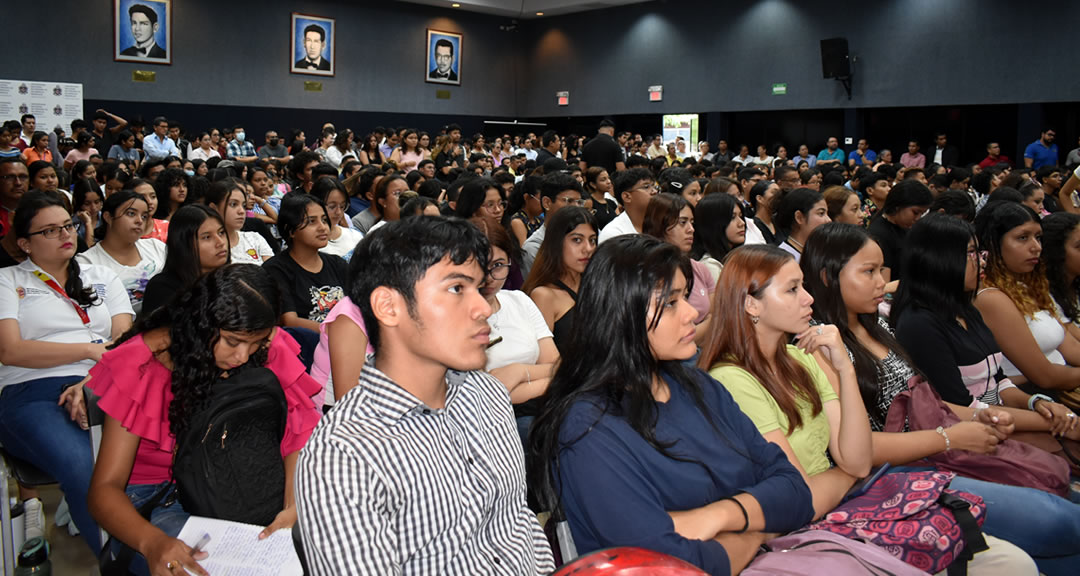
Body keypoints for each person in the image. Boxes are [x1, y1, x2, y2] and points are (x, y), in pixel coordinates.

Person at [802, 222, 1080, 575]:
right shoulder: (822, 347)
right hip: (896, 476)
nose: (881, 282)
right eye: (869, 272)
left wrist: (980, 418)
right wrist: (950, 437)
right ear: (828, 277)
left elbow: (925, 403)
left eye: (882, 270)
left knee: (1062, 505)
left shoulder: (879, 325)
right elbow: (860, 450)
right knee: (1059, 522)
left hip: (936, 449)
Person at [527, 235, 813, 575]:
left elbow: (795, 490)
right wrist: (759, 529)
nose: (693, 313)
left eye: (685, 297)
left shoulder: (700, 387)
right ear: (622, 313)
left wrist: (719, 516)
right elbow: (668, 564)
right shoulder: (588, 427)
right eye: (672, 302)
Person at [296, 216, 554, 574]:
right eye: (456, 289)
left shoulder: (486, 394)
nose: (481, 307)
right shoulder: (345, 454)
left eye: (479, 288)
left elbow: (517, 525)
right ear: (388, 307)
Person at [87, 264, 321, 576]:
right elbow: (105, 489)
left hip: (248, 475)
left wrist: (291, 506)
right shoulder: (144, 363)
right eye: (232, 341)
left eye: (254, 343)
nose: (242, 356)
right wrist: (152, 542)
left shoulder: (263, 342)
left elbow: (296, 434)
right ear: (202, 324)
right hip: (161, 498)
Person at [0, 191, 134, 553]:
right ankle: (124, 562)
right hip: (33, 392)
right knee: (86, 470)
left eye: (68, 225)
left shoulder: (102, 274)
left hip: (105, 383)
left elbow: (124, 339)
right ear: (25, 243)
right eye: (50, 231)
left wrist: (92, 379)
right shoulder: (8, 280)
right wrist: (89, 351)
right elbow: (10, 350)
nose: (66, 234)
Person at [701, 244, 873, 520]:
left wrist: (845, 369)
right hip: (799, 524)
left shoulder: (798, 357)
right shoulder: (731, 380)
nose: (808, 299)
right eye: (792, 289)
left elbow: (860, 461)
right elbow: (802, 497)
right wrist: (845, 476)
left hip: (836, 502)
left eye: (802, 286)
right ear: (751, 304)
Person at [892, 213, 1080, 436]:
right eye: (971, 252)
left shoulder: (966, 308)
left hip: (1001, 417)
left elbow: (998, 380)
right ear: (940, 259)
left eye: (978, 252)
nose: (981, 260)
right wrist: (1051, 422)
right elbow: (957, 407)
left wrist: (1036, 403)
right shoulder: (919, 325)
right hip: (974, 432)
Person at [974, 201, 1080, 404]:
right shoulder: (990, 298)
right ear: (994, 244)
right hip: (1032, 397)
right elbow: (1045, 376)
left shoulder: (1026, 285)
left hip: (1060, 386)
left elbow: (1071, 348)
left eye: (1038, 237)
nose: (1036, 247)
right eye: (1022, 238)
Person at [474, 216, 558, 441]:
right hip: (489, 420)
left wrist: (520, 372)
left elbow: (557, 364)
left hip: (539, 405)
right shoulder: (456, 317)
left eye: (498, 266)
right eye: (479, 267)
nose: (489, 278)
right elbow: (485, 394)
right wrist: (549, 380)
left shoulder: (519, 300)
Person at [76, 190, 167, 317]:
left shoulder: (156, 247)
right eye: (131, 214)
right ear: (108, 217)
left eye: (144, 216)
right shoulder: (87, 263)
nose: (139, 221)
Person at [264, 194, 346, 333]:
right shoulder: (275, 269)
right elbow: (290, 321)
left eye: (324, 220)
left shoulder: (336, 263)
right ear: (291, 230)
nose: (322, 227)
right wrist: (339, 332)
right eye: (312, 222)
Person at [524, 206, 597, 351]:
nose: (588, 248)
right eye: (577, 240)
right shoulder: (544, 295)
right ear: (556, 243)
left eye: (592, 240)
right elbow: (543, 358)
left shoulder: (596, 284)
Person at [643, 193, 715, 335]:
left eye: (692, 223)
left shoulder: (699, 268)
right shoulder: (646, 271)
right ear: (660, 225)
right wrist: (703, 330)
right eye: (683, 222)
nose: (691, 229)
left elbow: (715, 318)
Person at [141, 204, 228, 315]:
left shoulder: (231, 278)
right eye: (207, 237)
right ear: (183, 245)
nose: (220, 242)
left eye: (221, 233)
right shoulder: (162, 289)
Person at [867, 179, 933, 282]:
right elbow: (884, 285)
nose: (918, 218)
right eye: (915, 212)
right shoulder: (879, 234)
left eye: (922, 214)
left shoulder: (904, 227)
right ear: (898, 206)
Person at [521, 172, 585, 276]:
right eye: (569, 201)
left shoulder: (584, 238)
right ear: (547, 203)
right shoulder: (534, 247)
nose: (576, 207)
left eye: (579, 202)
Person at [691, 192, 745, 282]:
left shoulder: (735, 258)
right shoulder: (710, 266)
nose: (742, 223)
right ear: (713, 223)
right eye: (732, 217)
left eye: (741, 216)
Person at [598, 167, 656, 244]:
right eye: (646, 187)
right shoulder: (613, 234)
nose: (654, 191)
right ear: (627, 196)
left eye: (654, 187)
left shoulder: (661, 224)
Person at [311, 177, 363, 261]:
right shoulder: (307, 244)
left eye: (342, 206)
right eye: (332, 207)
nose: (339, 212)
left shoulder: (355, 235)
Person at [775, 187, 830, 262]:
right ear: (799, 217)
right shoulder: (781, 260)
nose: (829, 220)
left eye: (827, 213)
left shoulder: (815, 252)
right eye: (821, 213)